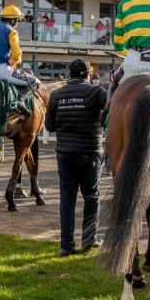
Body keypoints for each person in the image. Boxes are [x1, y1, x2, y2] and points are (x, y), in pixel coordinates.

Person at [45, 59, 108, 256]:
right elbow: (109, 111)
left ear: (70, 74)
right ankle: (89, 241)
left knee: (67, 200)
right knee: (91, 196)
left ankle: (66, 246)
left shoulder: (56, 95)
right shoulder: (96, 92)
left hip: (65, 153)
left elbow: (50, 127)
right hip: (90, 152)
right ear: (87, 74)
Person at [0, 5, 40, 115]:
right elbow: (17, 52)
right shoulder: (11, 31)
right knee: (34, 82)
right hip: (3, 72)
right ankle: (19, 101)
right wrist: (15, 62)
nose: (17, 24)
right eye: (17, 20)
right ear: (13, 20)